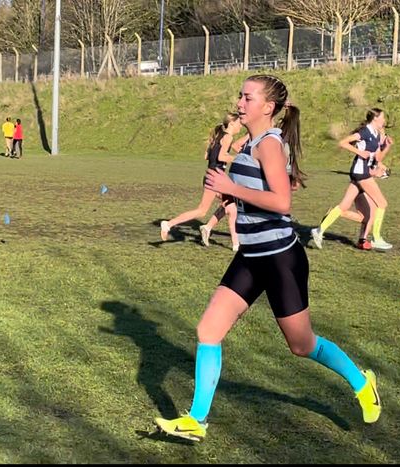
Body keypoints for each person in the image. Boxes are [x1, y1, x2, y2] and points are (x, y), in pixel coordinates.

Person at [153, 75, 381, 442]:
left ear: (268, 107)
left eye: (247, 97)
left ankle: (361, 382)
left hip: (279, 259)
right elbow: (262, 189)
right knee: (208, 330)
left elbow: (282, 203)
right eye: (240, 96)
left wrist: (230, 188)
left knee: (301, 346)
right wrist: (235, 197)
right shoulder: (250, 141)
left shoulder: (269, 145)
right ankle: (197, 420)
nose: (240, 102)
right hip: (251, 256)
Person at [311, 108, 393, 251]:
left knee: (344, 206)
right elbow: (343, 143)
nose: (384, 121)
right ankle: (376, 238)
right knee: (382, 203)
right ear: (375, 118)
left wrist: (387, 146)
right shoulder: (364, 132)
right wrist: (360, 152)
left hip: (359, 173)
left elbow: (378, 158)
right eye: (383, 118)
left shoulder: (374, 135)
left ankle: (319, 230)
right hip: (361, 174)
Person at [160, 113, 242, 251]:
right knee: (202, 211)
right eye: (239, 122)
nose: (241, 125)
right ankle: (168, 224)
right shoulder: (228, 137)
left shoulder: (219, 136)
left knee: (231, 206)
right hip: (215, 178)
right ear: (232, 123)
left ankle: (233, 243)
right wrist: (239, 159)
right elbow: (222, 156)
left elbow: (206, 156)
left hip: (213, 176)